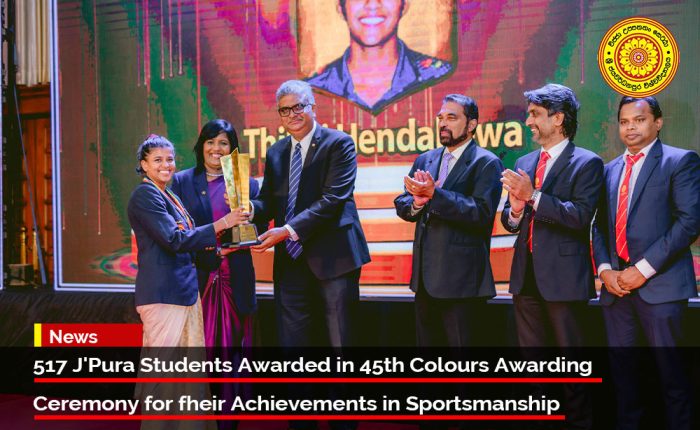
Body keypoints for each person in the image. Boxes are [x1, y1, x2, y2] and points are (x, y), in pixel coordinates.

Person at [592, 96, 699, 430]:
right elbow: (599, 227)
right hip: (616, 293)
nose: (630, 128)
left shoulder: (680, 161)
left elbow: (689, 222)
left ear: (658, 122)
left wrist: (642, 270)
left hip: (662, 288)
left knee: (673, 380)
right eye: (624, 122)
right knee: (624, 382)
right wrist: (605, 271)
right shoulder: (609, 170)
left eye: (638, 120)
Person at [500, 84, 603, 430]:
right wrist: (516, 209)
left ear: (558, 119)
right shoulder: (525, 162)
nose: (528, 121)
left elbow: (580, 217)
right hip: (525, 277)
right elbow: (511, 222)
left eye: (535, 114)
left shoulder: (587, 162)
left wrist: (533, 196)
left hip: (564, 280)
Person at [127, 134, 245, 430]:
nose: (166, 165)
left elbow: (186, 244)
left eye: (170, 159)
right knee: (166, 375)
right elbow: (173, 240)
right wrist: (222, 224)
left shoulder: (170, 195)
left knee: (185, 376)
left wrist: (219, 252)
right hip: (163, 295)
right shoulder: (145, 195)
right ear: (144, 165)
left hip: (184, 293)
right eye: (157, 160)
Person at [250, 80, 370, 348]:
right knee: (293, 345)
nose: (292, 114)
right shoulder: (276, 152)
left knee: (340, 342)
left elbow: (333, 200)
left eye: (298, 107)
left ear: (313, 107)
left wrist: (287, 231)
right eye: (285, 110)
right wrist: (250, 210)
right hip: (290, 262)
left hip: (334, 257)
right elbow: (269, 201)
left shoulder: (338, 143)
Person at [394, 94, 503, 347]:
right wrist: (417, 203)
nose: (443, 123)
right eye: (441, 118)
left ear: (471, 124)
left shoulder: (486, 162)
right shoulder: (426, 159)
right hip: (425, 280)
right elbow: (403, 202)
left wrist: (435, 195)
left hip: (462, 281)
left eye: (451, 118)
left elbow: (481, 213)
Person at [170, 120, 259, 430]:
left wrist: (248, 213)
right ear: (201, 146)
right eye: (210, 142)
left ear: (232, 148)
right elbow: (177, 233)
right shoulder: (181, 182)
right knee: (199, 351)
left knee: (232, 354)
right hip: (198, 278)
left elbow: (259, 222)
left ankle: (228, 420)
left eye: (223, 143)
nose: (216, 148)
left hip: (236, 279)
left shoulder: (248, 184)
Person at [305, 0, 452, 114]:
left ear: (404, 4)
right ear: (340, 7)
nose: (373, 4)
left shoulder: (439, 77)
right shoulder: (313, 91)